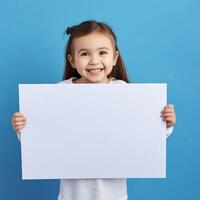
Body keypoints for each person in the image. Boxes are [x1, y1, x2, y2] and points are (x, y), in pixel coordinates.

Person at [11, 20, 176, 200]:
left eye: (102, 53)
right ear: (72, 60)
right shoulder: (60, 91)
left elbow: (143, 135)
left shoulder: (123, 91)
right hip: (71, 195)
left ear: (114, 58)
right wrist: (23, 128)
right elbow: (44, 138)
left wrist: (165, 124)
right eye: (84, 54)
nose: (94, 61)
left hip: (114, 194)